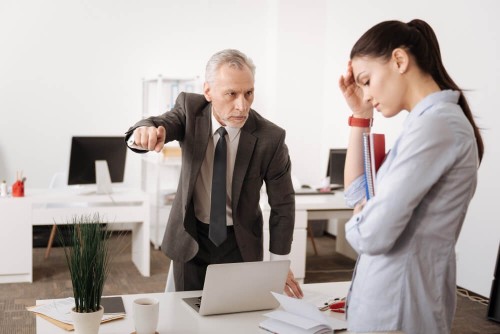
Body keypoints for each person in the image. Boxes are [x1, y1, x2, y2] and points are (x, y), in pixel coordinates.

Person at [338, 19, 483, 333]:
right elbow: (357, 194)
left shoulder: (437, 126)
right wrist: (361, 117)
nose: (365, 94)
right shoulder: (423, 125)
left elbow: (371, 234)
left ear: (399, 60)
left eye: (366, 81)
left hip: (399, 309)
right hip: (388, 300)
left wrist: (366, 215)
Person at [126, 49, 303, 298]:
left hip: (240, 243)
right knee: (187, 316)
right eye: (231, 94)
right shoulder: (190, 109)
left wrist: (279, 264)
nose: (242, 106)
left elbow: (283, 205)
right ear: (208, 91)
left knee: (237, 316)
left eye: (248, 93)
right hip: (192, 239)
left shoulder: (270, 138)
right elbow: (159, 122)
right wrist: (144, 131)